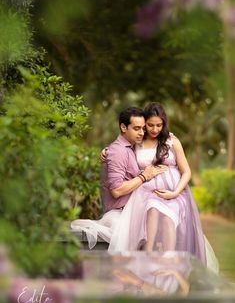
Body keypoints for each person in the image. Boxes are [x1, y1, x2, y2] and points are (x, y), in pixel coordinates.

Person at [71, 103, 218, 273]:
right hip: (147, 193)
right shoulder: (138, 143)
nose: (154, 129)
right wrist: (106, 152)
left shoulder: (171, 140)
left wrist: (175, 192)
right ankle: (149, 259)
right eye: (150, 125)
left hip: (174, 193)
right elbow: (121, 151)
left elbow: (187, 171)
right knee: (153, 209)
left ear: (164, 124)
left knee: (168, 217)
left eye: (159, 125)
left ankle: (170, 263)